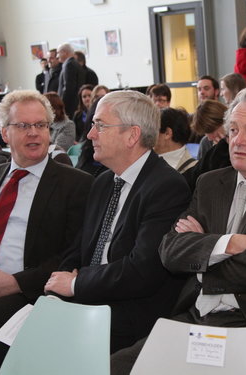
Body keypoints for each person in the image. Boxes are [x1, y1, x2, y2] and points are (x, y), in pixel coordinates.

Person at [110, 87, 246, 375]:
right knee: (113, 367)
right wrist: (230, 243)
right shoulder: (211, 183)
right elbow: (169, 250)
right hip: (198, 317)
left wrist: (201, 254)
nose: (238, 140)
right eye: (234, 130)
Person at [44, 90, 191, 355]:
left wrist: (76, 284)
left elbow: (142, 271)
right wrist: (59, 285)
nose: (90, 135)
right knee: (5, 344)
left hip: (129, 311)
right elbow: (79, 248)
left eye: (100, 125)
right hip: (88, 299)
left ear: (132, 135)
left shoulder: (166, 187)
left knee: (44, 352)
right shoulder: (103, 181)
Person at [0, 90, 93, 375]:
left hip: (30, 292)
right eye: (23, 126)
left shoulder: (76, 184)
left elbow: (74, 255)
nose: (34, 133)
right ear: (4, 134)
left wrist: (16, 283)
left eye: (41, 125)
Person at [154, 107, 197, 173]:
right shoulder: (145, 160)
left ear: (167, 133)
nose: (147, 135)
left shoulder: (193, 170)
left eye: (152, 130)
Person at [57, 43, 84, 118]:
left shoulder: (69, 65)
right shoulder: (75, 63)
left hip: (69, 106)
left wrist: (61, 105)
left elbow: (68, 87)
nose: (57, 56)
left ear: (64, 52)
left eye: (58, 53)